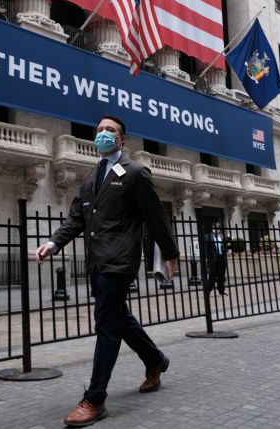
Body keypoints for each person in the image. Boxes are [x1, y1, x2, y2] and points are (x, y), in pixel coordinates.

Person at [35, 115, 179, 427]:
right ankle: (155, 359)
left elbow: (156, 217)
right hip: (96, 261)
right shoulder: (90, 177)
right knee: (118, 317)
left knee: (107, 324)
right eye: (99, 129)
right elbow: (76, 219)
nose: (103, 134)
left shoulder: (136, 172)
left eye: (110, 130)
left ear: (122, 139)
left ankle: (95, 398)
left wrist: (170, 253)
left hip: (120, 260)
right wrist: (53, 243)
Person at [202, 221, 227, 295]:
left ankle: (221, 290)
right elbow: (205, 249)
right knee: (212, 275)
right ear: (212, 227)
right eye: (216, 227)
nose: (217, 229)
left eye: (218, 227)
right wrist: (206, 259)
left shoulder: (222, 237)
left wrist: (225, 248)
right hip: (213, 259)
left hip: (221, 258)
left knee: (221, 276)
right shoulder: (207, 236)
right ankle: (208, 290)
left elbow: (224, 247)